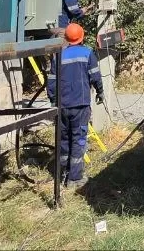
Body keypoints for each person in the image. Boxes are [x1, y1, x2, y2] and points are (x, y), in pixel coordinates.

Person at [47, 23, 104, 187]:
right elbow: (95, 76)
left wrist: (53, 100)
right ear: (81, 37)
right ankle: (75, 178)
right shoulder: (87, 53)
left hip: (62, 106)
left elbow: (52, 81)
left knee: (64, 139)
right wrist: (100, 92)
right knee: (78, 139)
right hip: (80, 105)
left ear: (66, 38)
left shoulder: (58, 56)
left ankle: (62, 173)